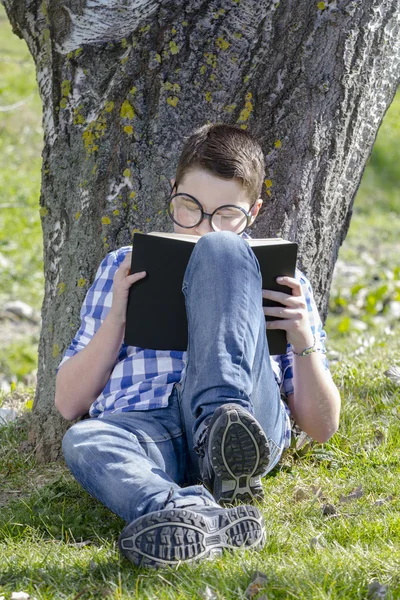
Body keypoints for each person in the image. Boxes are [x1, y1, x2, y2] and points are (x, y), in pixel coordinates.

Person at [55, 123, 341, 569]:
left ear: (255, 212)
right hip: (149, 428)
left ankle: (221, 430)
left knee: (222, 251)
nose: (203, 226)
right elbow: (69, 403)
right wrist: (116, 318)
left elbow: (322, 426)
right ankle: (188, 513)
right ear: (172, 191)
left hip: (248, 421)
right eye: (190, 207)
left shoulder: (283, 281)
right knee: (85, 439)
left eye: (226, 214)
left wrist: (304, 341)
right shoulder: (121, 266)